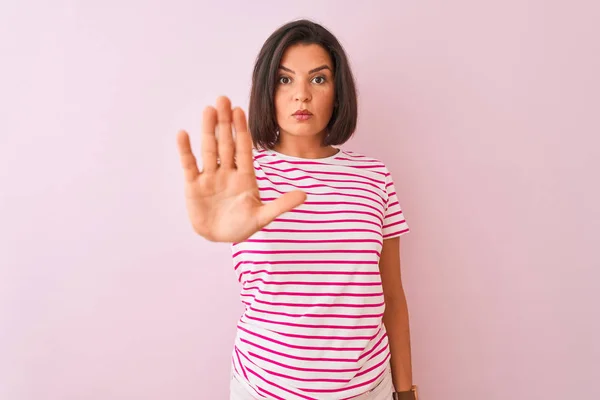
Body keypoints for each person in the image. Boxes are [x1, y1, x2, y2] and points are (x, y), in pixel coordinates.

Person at [176, 19, 417, 400]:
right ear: (267, 92)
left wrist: (406, 393)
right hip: (263, 389)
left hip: (369, 389)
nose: (301, 95)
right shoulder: (243, 177)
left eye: (318, 79)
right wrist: (213, 228)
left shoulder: (374, 177)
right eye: (285, 80)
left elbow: (393, 297)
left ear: (338, 93)